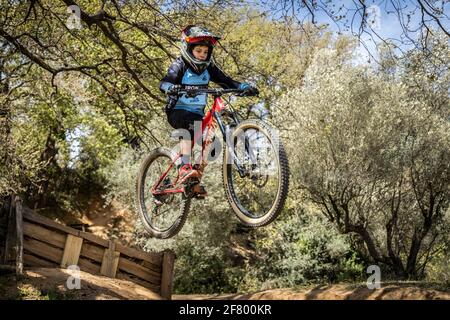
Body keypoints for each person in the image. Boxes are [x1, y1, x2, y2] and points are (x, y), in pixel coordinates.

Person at [159, 25, 258, 194]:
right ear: (189, 49)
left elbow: (226, 81)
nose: (202, 55)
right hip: (177, 111)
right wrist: (171, 88)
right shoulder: (180, 65)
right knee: (189, 127)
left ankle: (193, 181)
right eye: (198, 51)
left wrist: (243, 87)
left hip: (197, 114)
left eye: (205, 52)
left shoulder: (208, 67)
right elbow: (164, 82)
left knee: (212, 143)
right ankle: (184, 168)